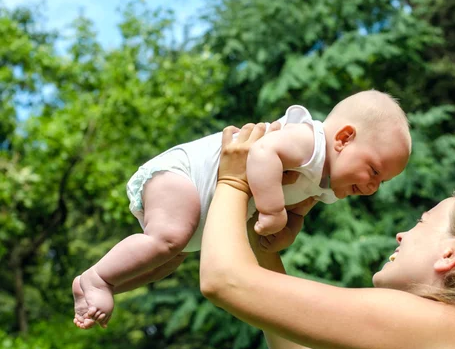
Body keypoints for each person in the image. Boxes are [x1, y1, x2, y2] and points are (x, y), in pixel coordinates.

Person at [200, 122, 455, 349]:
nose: (402, 233)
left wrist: (233, 179)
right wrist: (263, 243)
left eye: (422, 223)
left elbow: (225, 280)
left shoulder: (447, 328)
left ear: (454, 251)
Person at [72, 90, 412, 329]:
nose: (371, 188)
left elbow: (298, 211)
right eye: (373, 171)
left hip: (198, 214)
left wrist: (286, 230)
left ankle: (108, 285)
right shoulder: (310, 142)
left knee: (170, 258)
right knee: (170, 238)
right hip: (183, 177)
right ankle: (97, 277)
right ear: (344, 138)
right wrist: (273, 210)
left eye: (381, 183)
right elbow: (263, 153)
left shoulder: (326, 185)